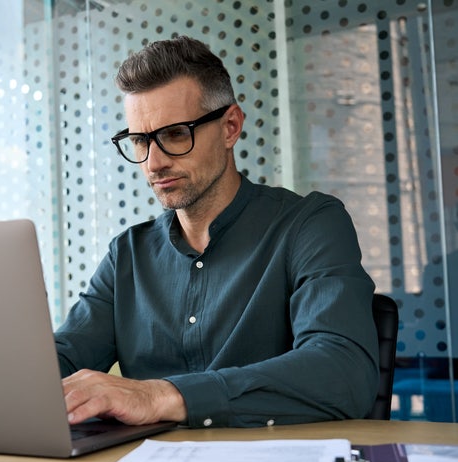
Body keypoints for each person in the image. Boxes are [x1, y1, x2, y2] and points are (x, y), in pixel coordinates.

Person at [55, 35, 379, 429]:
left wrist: (161, 396)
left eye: (175, 134)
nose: (153, 163)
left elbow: (343, 371)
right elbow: (62, 360)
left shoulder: (309, 225)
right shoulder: (128, 254)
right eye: (140, 140)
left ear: (230, 127)